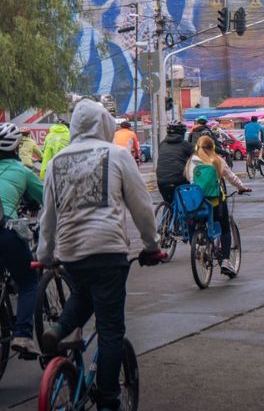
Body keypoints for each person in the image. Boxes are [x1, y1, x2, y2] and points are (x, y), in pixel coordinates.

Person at [36, 100, 164, 411]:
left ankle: (58, 331)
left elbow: (48, 217)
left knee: (83, 294)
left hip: (71, 255)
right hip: (108, 252)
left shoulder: (56, 164)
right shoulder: (118, 155)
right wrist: (151, 245)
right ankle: (108, 399)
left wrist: (46, 255)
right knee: (110, 330)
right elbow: (142, 208)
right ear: (103, 124)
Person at [0, 123, 44, 357]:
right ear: (17, 147)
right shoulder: (22, 171)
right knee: (28, 283)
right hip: (5, 229)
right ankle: (23, 336)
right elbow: (48, 198)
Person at [185, 135, 251, 276]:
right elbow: (231, 177)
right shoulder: (217, 160)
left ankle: (197, 247)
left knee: (193, 222)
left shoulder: (191, 162)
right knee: (225, 228)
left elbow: (190, 181)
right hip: (214, 204)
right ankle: (226, 261)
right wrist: (243, 187)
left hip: (196, 204)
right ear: (213, 147)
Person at [155, 120, 194, 205]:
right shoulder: (186, 145)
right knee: (187, 202)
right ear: (182, 133)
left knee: (169, 203)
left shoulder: (162, 144)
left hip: (161, 180)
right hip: (180, 179)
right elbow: (195, 158)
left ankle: (168, 214)